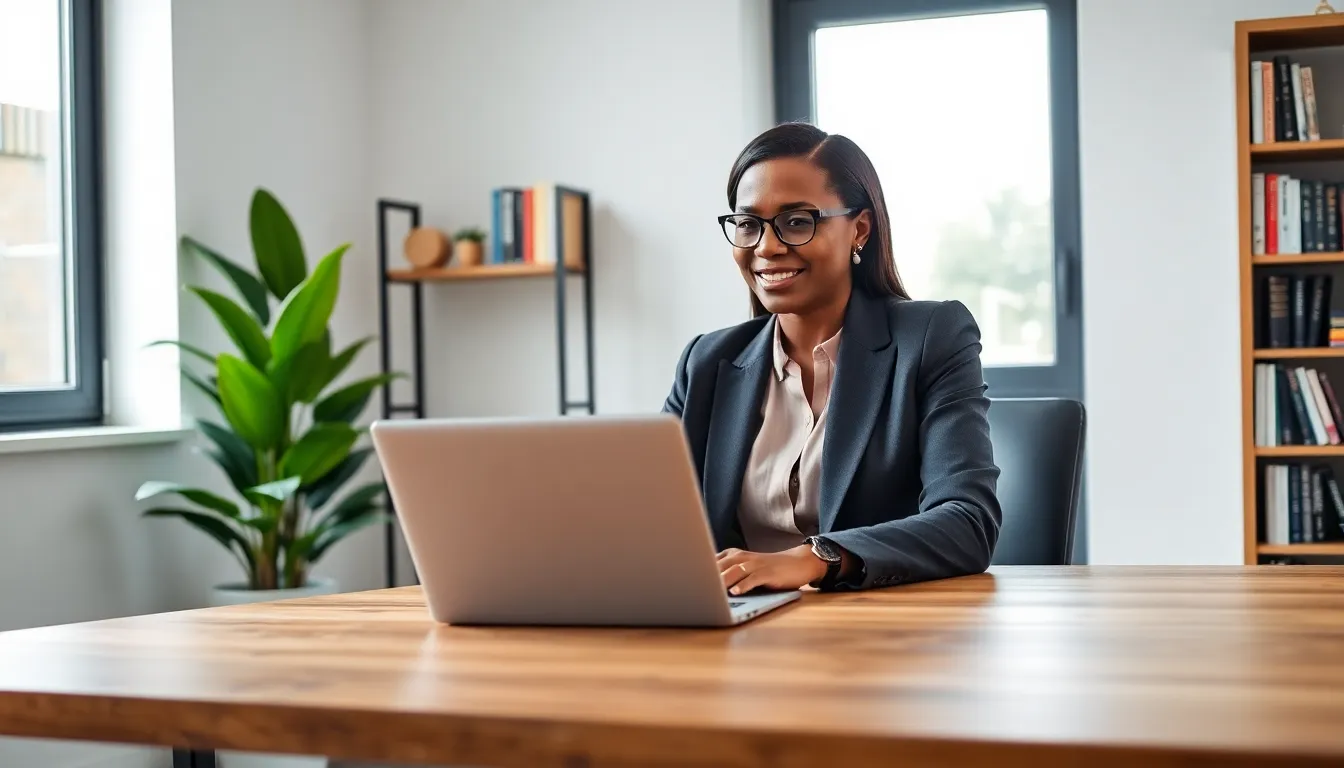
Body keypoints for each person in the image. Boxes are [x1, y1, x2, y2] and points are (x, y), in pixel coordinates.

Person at [662, 122, 1002, 594]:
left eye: (797, 221)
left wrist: (815, 558)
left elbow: (968, 522)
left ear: (859, 229)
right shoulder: (707, 361)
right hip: (735, 627)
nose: (767, 246)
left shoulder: (931, 338)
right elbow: (652, 520)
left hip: (876, 636)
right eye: (748, 224)